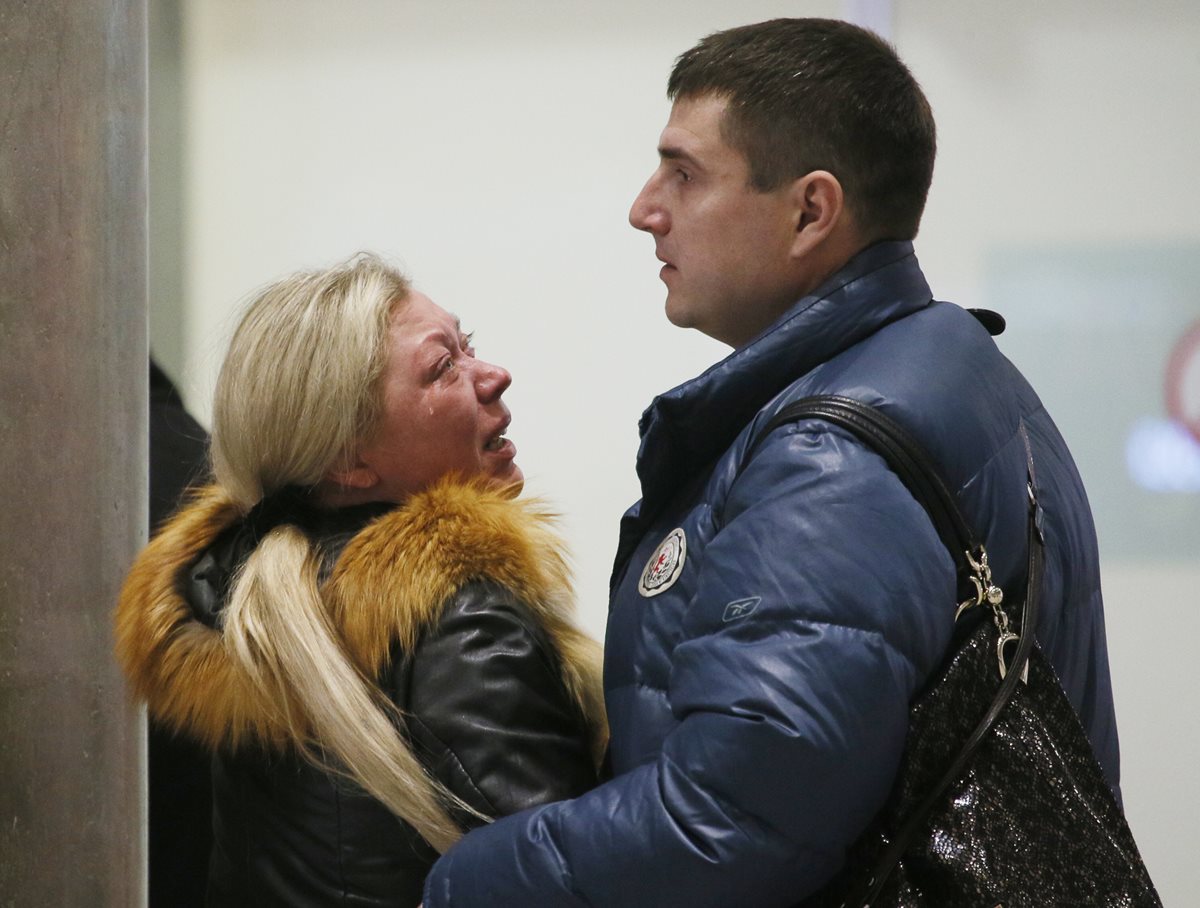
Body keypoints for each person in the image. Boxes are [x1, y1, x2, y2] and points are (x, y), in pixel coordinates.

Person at [419, 18, 1121, 907]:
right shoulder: (960, 371)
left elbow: (727, 827)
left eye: (684, 173)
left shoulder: (831, 459)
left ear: (810, 211)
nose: (645, 208)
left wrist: (459, 882)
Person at [116, 254, 606, 907]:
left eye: (469, 345)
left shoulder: (250, 598)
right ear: (350, 461)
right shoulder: (452, 618)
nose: (493, 375)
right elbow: (559, 882)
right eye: (444, 367)